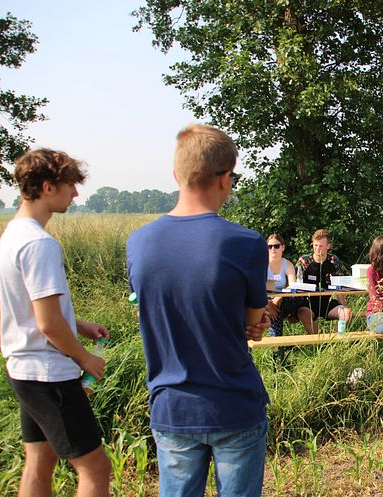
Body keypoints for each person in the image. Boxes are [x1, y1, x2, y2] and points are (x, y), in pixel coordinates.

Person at [126, 124, 270, 496]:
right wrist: (253, 322)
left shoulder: (138, 243)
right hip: (234, 403)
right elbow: (253, 324)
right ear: (226, 179)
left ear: (177, 174)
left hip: (173, 408)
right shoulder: (246, 243)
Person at [0, 149, 111, 496]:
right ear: (48, 187)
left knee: (39, 459)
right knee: (95, 468)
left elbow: (33, 309)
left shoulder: (13, 235)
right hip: (49, 374)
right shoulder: (39, 244)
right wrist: (84, 358)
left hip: (23, 368)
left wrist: (79, 323)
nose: (76, 194)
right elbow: (47, 324)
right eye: (70, 185)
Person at [295, 229, 352, 334]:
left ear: (328, 246)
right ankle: (320, 342)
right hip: (308, 303)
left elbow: (340, 283)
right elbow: (297, 284)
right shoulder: (304, 261)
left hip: (327, 302)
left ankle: (335, 340)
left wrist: (342, 304)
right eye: (315, 245)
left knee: (347, 313)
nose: (317, 249)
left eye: (321, 246)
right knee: (303, 314)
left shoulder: (334, 260)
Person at [266, 233, 312, 336]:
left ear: (282, 247)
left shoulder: (287, 264)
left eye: (276, 246)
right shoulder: (261, 264)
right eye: (270, 246)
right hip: (264, 300)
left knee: (294, 299)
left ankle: (276, 346)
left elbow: (292, 285)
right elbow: (255, 288)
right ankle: (276, 346)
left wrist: (278, 298)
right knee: (276, 310)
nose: (273, 249)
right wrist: (269, 303)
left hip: (282, 299)